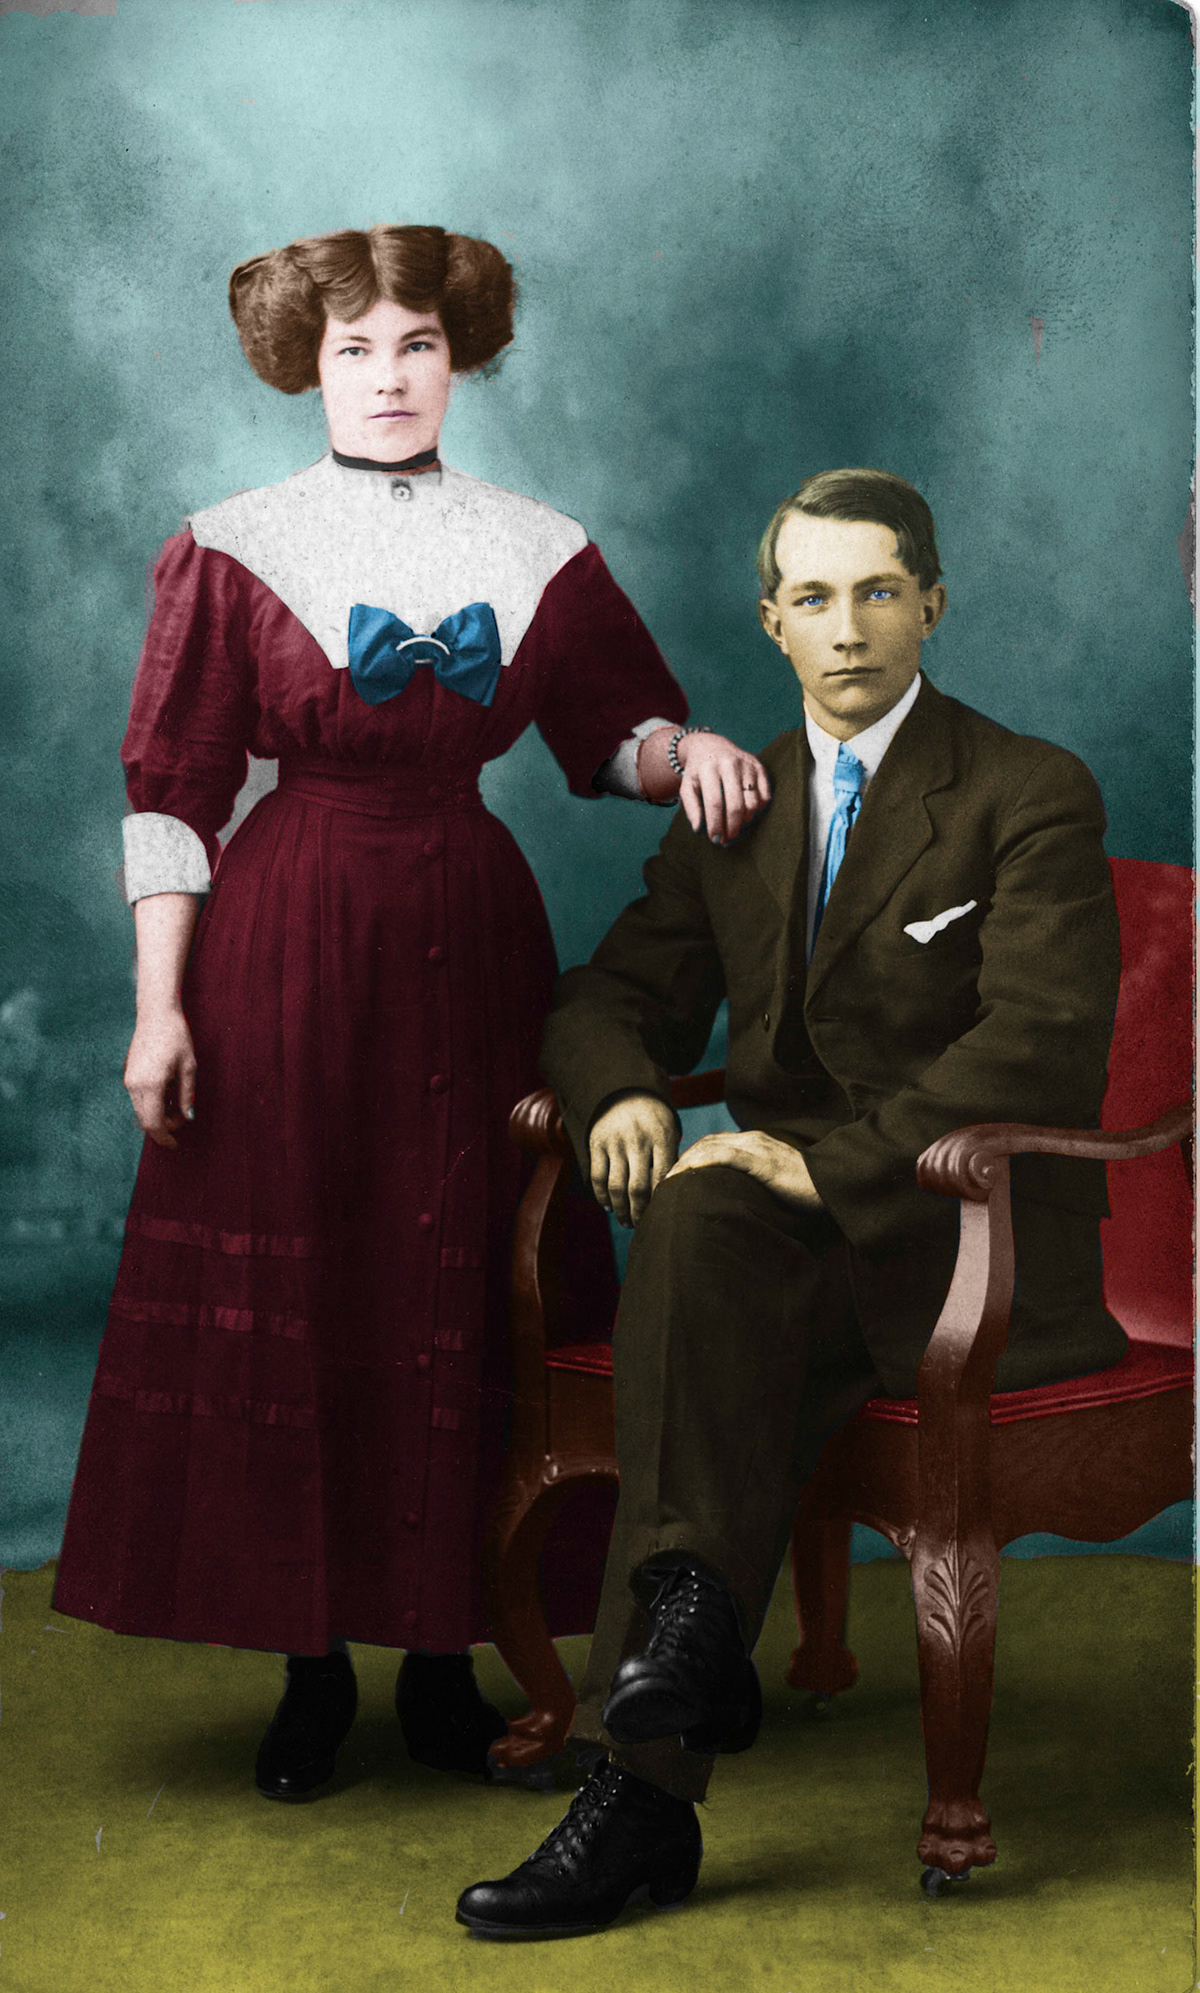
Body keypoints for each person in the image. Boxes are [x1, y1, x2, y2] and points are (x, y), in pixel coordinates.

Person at [53, 224, 772, 1802]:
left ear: (463, 359)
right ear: (308, 365)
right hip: (285, 942)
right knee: (316, 1272)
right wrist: (159, 1011)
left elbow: (613, 733)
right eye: (357, 349)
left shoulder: (540, 544)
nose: (389, 377)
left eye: (419, 345)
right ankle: (312, 1670)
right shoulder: (229, 543)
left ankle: (452, 1654)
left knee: (463, 1273)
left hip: (472, 939)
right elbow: (172, 796)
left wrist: (693, 749)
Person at [456, 466, 1125, 1937]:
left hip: (966, 1242)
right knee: (700, 1210)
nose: (849, 626)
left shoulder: (1028, 789)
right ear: (772, 622)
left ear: (933, 603)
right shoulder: (738, 807)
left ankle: (645, 1771)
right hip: (780, 1246)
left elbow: (1039, 1044)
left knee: (718, 1221)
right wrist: (623, 1093)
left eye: (879, 591)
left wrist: (821, 1163)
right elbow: (606, 994)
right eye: (814, 597)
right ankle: (679, 1684)